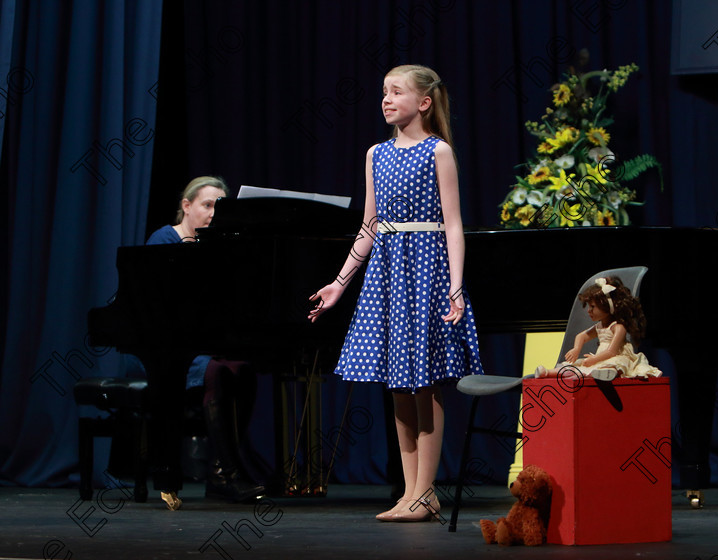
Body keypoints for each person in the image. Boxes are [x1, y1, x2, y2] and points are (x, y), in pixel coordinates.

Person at [308, 65, 484, 522]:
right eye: (383, 92)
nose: (386, 99)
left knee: (425, 383)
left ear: (424, 102)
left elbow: (453, 224)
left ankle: (425, 491)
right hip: (387, 272)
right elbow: (369, 226)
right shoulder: (376, 154)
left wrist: (456, 287)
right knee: (399, 387)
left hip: (426, 268)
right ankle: (412, 492)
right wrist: (340, 283)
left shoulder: (437, 151)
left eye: (396, 92)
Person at [142, 176, 265, 508]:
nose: (213, 213)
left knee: (245, 370)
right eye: (207, 205)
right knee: (218, 372)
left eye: (218, 207)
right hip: (167, 348)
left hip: (203, 343)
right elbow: (156, 305)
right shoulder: (164, 239)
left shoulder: (217, 246)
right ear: (187, 205)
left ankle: (220, 470)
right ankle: (228, 473)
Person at [535, 277, 662, 381]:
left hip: (612, 357)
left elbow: (611, 352)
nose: (589, 311)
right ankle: (548, 373)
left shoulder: (618, 327)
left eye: (593, 307)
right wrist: (576, 349)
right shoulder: (599, 327)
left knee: (614, 365)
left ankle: (604, 375)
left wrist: (594, 359)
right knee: (576, 367)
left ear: (608, 307)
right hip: (599, 358)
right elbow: (581, 336)